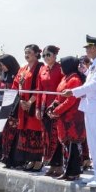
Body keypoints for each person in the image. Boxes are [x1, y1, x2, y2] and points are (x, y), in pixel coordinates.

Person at [65, 36, 96, 185]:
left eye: (88, 48)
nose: (86, 51)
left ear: (94, 48)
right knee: (93, 144)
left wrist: (73, 91)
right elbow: (91, 83)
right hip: (90, 107)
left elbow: (94, 85)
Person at [47, 56, 85, 181]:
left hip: (73, 119)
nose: (60, 67)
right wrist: (52, 106)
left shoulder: (74, 79)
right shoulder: (65, 78)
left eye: (62, 65)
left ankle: (74, 172)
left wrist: (57, 111)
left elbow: (71, 100)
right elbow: (59, 95)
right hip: (63, 119)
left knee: (73, 146)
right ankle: (67, 171)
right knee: (66, 146)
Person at [11, 44, 45, 171]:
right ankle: (30, 159)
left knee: (35, 132)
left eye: (29, 52)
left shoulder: (41, 67)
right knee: (26, 132)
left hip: (34, 105)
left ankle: (38, 160)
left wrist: (30, 102)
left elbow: (40, 87)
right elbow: (15, 85)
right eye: (25, 52)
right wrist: (20, 101)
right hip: (22, 105)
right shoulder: (22, 69)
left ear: (36, 54)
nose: (26, 54)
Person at [37, 45, 64, 176]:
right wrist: (37, 108)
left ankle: (58, 165)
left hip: (56, 107)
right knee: (47, 137)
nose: (46, 58)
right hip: (44, 106)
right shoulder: (42, 69)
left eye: (48, 55)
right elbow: (38, 90)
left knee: (56, 137)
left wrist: (58, 107)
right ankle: (51, 164)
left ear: (55, 55)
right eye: (44, 56)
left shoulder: (60, 69)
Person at [0, 54, 20, 165]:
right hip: (3, 108)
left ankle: (14, 159)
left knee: (13, 135)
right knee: (4, 134)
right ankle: (4, 156)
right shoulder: (3, 75)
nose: (2, 67)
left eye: (3, 65)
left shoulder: (18, 74)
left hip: (14, 108)